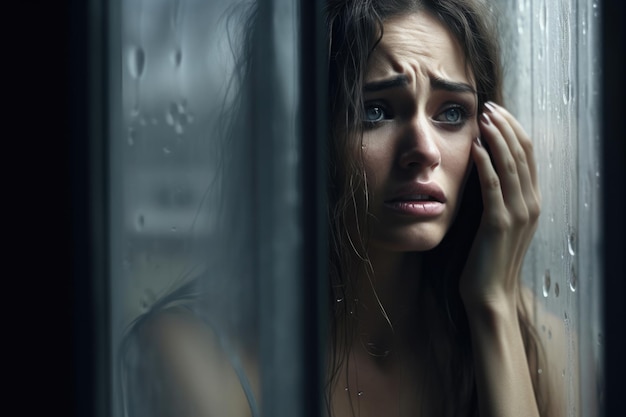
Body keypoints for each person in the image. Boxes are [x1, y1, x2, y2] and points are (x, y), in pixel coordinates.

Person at [120, 1, 568, 416]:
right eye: (374, 111)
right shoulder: (190, 352)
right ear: (297, 137)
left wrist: (493, 306)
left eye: (451, 114)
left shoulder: (535, 342)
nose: (423, 150)